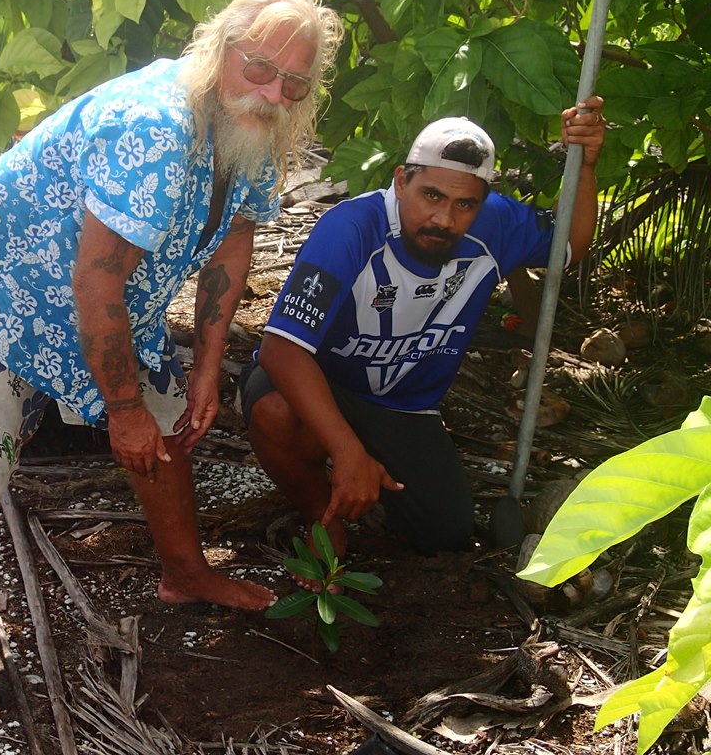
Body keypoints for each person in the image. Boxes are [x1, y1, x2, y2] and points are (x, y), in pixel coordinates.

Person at [0, 0, 343, 726]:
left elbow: (235, 238)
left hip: (116, 297)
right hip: (12, 285)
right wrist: (121, 412)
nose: (275, 91)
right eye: (259, 67)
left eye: (296, 82)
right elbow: (96, 279)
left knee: (169, 422)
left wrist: (208, 362)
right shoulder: (153, 128)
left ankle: (185, 573)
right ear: (219, 50)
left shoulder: (253, 124)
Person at [241, 100, 607, 574]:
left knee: (445, 534)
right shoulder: (351, 228)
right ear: (400, 180)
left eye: (464, 205)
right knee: (276, 413)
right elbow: (282, 348)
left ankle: (368, 460)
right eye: (431, 196)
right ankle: (320, 514)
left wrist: (589, 162)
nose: (444, 219)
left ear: (481, 202)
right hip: (325, 384)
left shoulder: (494, 225)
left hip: (404, 404)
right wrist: (347, 450)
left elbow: (571, 243)